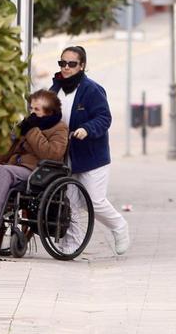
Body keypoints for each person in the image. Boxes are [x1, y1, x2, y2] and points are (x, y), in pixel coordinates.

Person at [51, 46, 130, 255]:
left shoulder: (92, 89)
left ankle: (119, 227)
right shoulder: (55, 88)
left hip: (92, 156)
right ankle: (71, 244)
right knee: (70, 201)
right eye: (62, 63)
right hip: (66, 155)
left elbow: (104, 118)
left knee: (94, 200)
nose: (66, 68)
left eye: (72, 64)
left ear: (82, 65)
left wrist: (87, 129)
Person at [0, 89, 69, 231]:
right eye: (31, 108)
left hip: (39, 172)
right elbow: (0, 157)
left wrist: (31, 131)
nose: (33, 112)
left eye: (37, 109)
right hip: (15, 166)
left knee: (5, 172)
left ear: (49, 111)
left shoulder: (59, 128)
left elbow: (52, 154)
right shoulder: (27, 124)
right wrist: (13, 137)